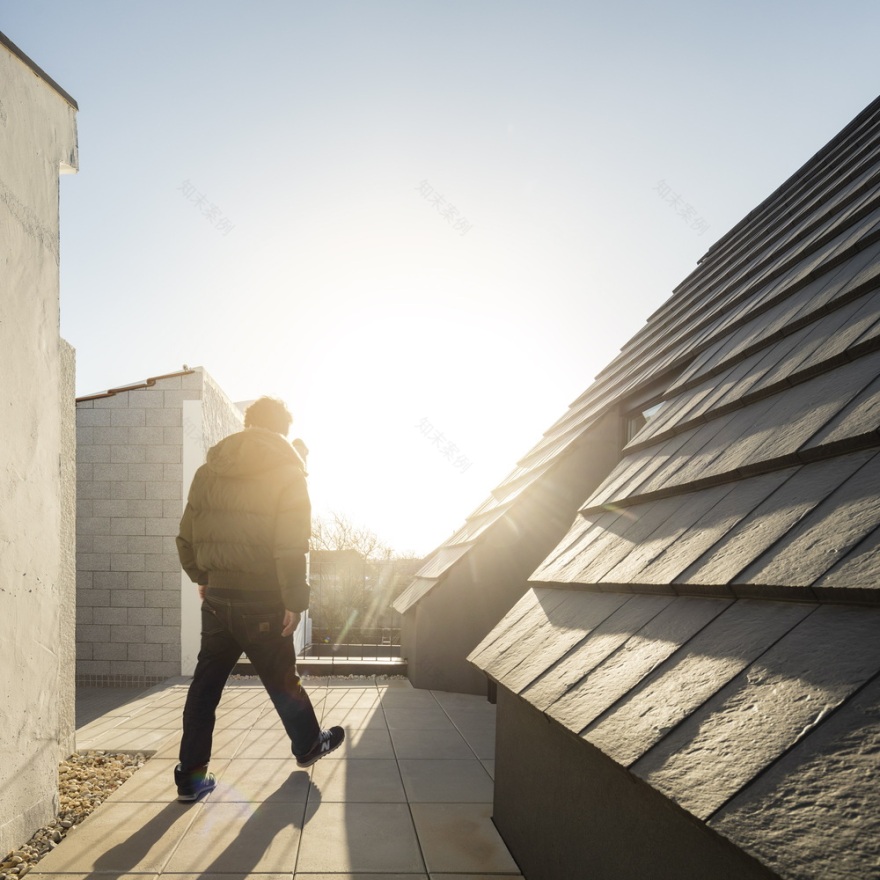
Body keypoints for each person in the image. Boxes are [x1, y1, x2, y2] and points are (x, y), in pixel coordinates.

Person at [174, 395, 344, 802]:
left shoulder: (207, 471)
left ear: (248, 423)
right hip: (264, 599)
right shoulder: (288, 471)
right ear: (281, 430)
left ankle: (191, 778)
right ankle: (307, 746)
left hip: (217, 598)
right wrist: (294, 600)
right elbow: (290, 545)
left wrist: (203, 576)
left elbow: (186, 537)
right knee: (282, 679)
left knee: (205, 687)